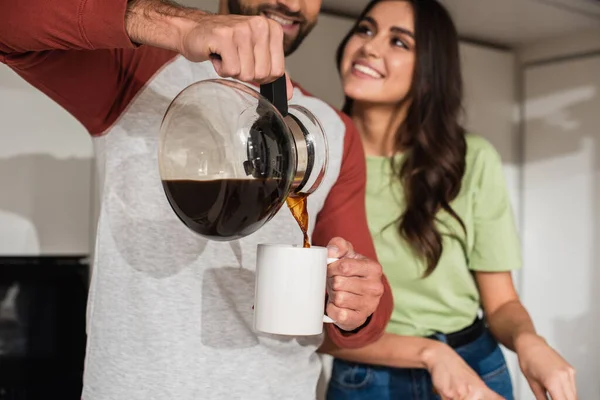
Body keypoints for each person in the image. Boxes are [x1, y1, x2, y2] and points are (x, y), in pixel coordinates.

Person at [0, 0, 394, 399]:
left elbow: (367, 313)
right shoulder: (144, 72)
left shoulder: (333, 130)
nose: (291, 3)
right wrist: (182, 26)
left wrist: (357, 304)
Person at [320, 1, 577, 400]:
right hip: (367, 376)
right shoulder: (314, 159)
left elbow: (502, 303)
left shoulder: (472, 160)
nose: (371, 47)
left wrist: (529, 341)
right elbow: (307, 325)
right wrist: (430, 353)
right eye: (365, 30)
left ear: (431, 70)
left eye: (399, 42)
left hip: (476, 365)